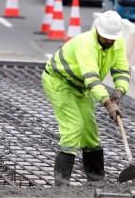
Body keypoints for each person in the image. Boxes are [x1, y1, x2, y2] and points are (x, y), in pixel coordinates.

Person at [42, 11, 130, 185]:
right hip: (60, 83)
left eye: (112, 38)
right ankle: (61, 182)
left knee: (90, 130)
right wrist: (107, 104)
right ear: (98, 31)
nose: (109, 41)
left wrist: (119, 91)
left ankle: (96, 179)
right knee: (74, 127)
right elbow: (92, 78)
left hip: (82, 88)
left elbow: (121, 69)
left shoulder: (117, 43)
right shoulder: (86, 44)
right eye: (106, 38)